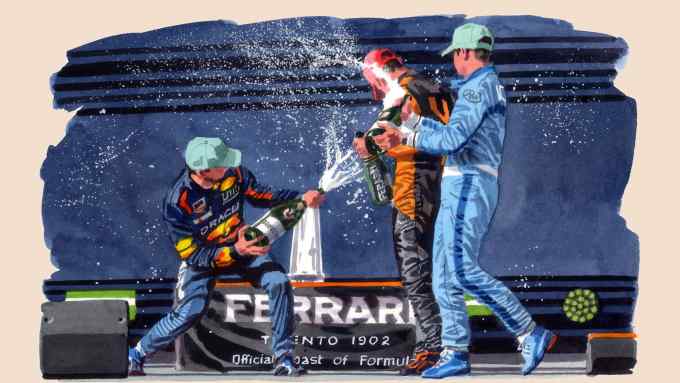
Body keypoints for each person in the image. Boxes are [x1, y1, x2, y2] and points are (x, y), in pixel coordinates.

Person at [372, 23, 557, 378]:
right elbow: (452, 136)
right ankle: (455, 352)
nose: (454, 63)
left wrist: (412, 128)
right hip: (460, 182)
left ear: (465, 53)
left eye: (455, 55)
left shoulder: (477, 89)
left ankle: (529, 331)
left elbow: (453, 141)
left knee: (459, 269)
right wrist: (409, 129)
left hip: (470, 182)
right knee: (443, 277)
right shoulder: (477, 88)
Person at [127, 137, 325, 376]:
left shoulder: (235, 174)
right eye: (222, 163)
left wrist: (300, 197)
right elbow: (192, 254)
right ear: (203, 170)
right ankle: (136, 354)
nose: (229, 165)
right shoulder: (177, 201)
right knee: (190, 310)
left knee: (279, 282)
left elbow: (262, 194)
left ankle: (283, 358)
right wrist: (234, 251)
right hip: (204, 259)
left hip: (241, 246)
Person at [353, 48, 454, 375]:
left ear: (379, 73)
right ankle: (443, 344)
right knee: (429, 270)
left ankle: (432, 349)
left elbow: (388, 137)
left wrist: (371, 147)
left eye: (373, 81)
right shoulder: (432, 87)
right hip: (439, 183)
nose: (376, 89)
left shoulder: (402, 92)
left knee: (414, 271)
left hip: (414, 186)